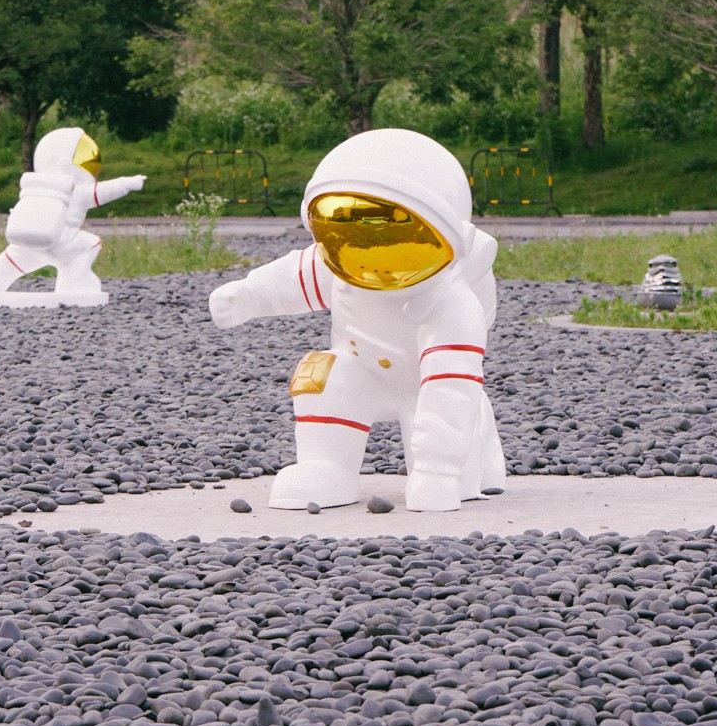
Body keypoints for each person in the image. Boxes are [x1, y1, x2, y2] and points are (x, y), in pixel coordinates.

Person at [209, 128, 505, 511]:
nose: (373, 248)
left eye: (397, 230)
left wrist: (439, 470)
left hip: (423, 383)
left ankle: (454, 467)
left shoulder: (450, 301)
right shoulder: (339, 264)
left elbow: (452, 384)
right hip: (361, 368)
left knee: (443, 421)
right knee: (323, 376)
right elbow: (292, 277)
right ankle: (327, 466)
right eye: (348, 227)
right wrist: (247, 296)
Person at [0, 127, 144, 301]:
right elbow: (103, 191)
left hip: (29, 240)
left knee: (12, 257)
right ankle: (72, 285)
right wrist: (127, 183)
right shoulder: (77, 190)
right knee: (89, 244)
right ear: (66, 162)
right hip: (63, 243)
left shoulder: (31, 185)